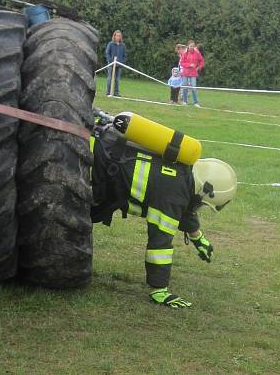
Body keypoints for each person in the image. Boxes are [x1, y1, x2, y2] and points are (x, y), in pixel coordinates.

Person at [90, 115, 237, 308]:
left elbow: (185, 208)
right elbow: (160, 243)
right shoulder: (174, 194)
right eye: (203, 204)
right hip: (98, 168)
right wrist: (159, 289)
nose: (199, 207)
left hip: (103, 154)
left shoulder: (185, 173)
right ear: (205, 190)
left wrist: (197, 237)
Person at [179, 39, 204, 107]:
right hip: (185, 73)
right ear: (188, 46)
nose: (192, 47)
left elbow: (202, 61)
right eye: (191, 46)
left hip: (193, 73)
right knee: (184, 87)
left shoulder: (197, 53)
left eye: (193, 46)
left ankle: (196, 102)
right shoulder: (185, 53)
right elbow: (181, 63)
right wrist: (189, 65)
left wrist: (199, 67)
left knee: (193, 87)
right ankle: (185, 101)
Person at [104, 30, 126, 97]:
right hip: (111, 64)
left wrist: (121, 62)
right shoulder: (110, 44)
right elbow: (107, 53)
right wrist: (111, 61)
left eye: (119, 36)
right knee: (110, 78)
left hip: (119, 65)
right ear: (114, 36)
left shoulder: (123, 45)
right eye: (117, 35)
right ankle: (108, 92)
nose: (118, 37)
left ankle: (116, 93)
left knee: (117, 79)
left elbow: (124, 55)